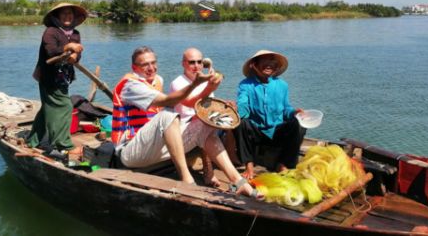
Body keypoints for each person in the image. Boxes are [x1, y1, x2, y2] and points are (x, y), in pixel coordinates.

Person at [111, 46, 258, 197]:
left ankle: (237, 181)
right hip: (130, 152)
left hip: (152, 147)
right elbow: (168, 101)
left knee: (205, 124)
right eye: (145, 65)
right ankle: (187, 180)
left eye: (153, 63)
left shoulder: (157, 80)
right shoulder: (130, 85)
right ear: (134, 67)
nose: (151, 68)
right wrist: (196, 84)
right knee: (168, 114)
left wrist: (210, 86)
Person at [234, 50, 305, 179]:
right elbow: (243, 109)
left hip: (276, 131)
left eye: (272, 62)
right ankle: (249, 167)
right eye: (264, 61)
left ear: (277, 67)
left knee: (299, 123)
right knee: (241, 123)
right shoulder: (246, 85)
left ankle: (282, 164)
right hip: (257, 132)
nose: (269, 65)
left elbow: (286, 109)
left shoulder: (282, 85)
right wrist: (237, 108)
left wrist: (294, 112)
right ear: (254, 65)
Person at [27, 3, 86, 157]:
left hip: (64, 78)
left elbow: (77, 52)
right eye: (64, 14)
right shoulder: (50, 32)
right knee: (65, 106)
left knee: (47, 108)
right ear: (57, 17)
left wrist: (75, 56)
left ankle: (33, 140)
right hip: (48, 77)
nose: (68, 17)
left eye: (70, 14)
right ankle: (63, 145)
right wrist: (69, 48)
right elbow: (51, 51)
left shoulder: (75, 34)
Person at [169, 48, 220, 187]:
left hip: (202, 121)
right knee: (205, 122)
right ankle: (208, 170)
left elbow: (209, 106)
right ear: (183, 64)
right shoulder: (177, 83)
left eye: (199, 62)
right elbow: (192, 103)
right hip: (182, 128)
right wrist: (209, 88)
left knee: (227, 116)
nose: (196, 66)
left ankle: (231, 163)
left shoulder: (205, 81)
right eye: (192, 62)